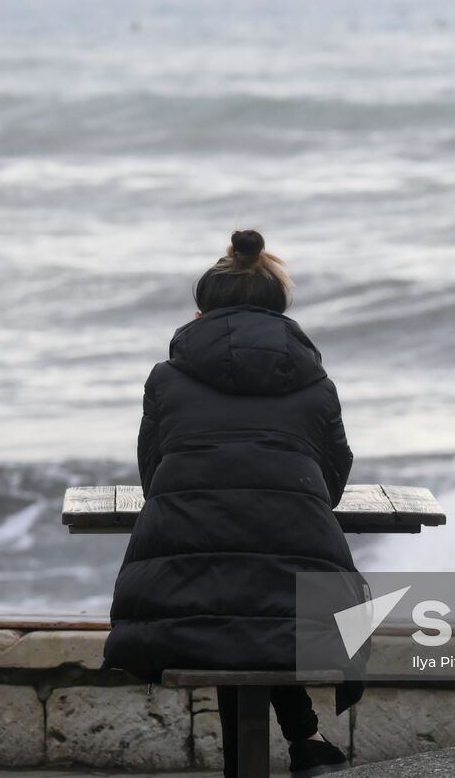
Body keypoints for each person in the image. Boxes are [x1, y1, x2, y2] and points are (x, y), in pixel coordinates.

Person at [103, 229, 360, 778]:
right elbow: (334, 482)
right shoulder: (317, 385)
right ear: (280, 309)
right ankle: (306, 740)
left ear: (201, 311)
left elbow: (154, 479)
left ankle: (304, 740)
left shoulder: (166, 380)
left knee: (225, 601)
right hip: (300, 593)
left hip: (176, 594)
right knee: (253, 605)